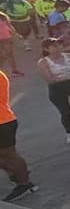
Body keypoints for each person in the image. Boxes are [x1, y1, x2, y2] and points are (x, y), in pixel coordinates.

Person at [0, 69, 37, 201]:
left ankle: (24, 184)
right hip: (4, 121)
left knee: (9, 154)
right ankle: (17, 175)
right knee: (5, 155)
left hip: (3, 122)